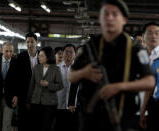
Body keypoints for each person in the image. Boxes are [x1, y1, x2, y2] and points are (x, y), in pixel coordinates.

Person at [68, 0, 155, 131]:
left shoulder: (134, 48)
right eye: (106, 14)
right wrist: (84, 72)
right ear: (100, 19)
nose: (109, 18)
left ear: (124, 19)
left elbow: (150, 81)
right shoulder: (91, 46)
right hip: (91, 119)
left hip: (122, 116)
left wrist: (119, 87)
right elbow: (71, 76)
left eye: (115, 14)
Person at [27, 46, 63, 131]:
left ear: (48, 56)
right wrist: (28, 100)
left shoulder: (56, 69)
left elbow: (60, 85)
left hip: (49, 104)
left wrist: (48, 84)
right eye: (39, 55)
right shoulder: (36, 67)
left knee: (46, 127)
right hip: (36, 102)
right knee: (35, 125)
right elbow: (31, 85)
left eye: (41, 56)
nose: (39, 57)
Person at [15, 32, 38, 131]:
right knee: (23, 121)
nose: (30, 44)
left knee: (36, 121)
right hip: (23, 94)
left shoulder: (42, 56)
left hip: (39, 94)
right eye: (27, 42)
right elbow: (16, 77)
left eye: (32, 42)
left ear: (36, 42)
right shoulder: (20, 57)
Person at [139, 22, 159, 131]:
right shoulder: (146, 57)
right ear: (143, 36)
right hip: (151, 106)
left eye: (157, 33)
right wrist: (143, 112)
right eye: (150, 33)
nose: (154, 36)